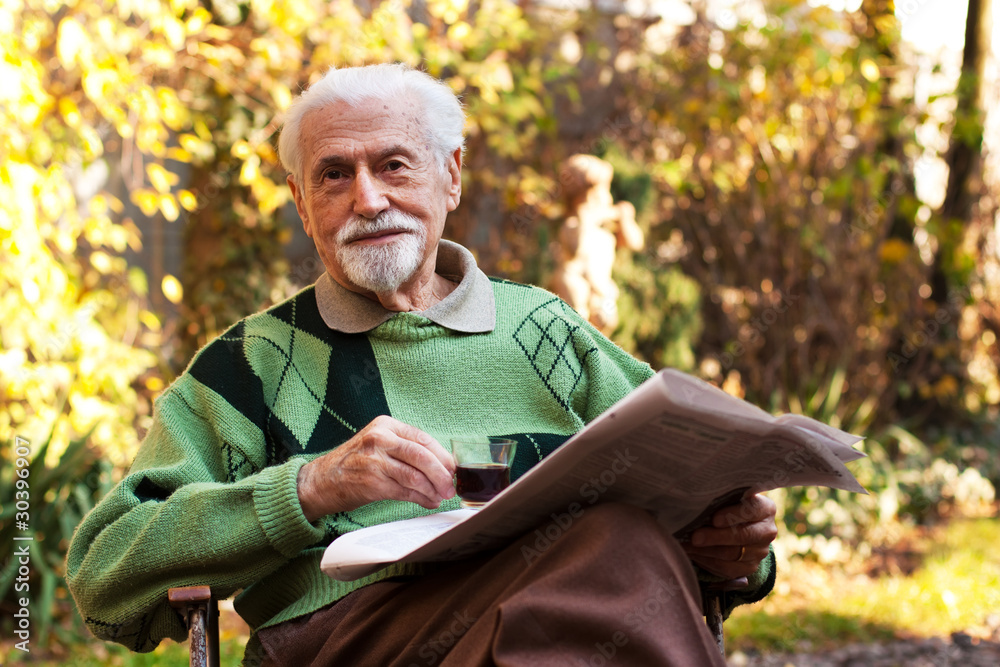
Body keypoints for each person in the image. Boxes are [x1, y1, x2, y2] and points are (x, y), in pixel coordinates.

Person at [67, 63, 778, 666]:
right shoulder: (251, 362)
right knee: (615, 546)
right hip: (351, 638)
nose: (367, 199)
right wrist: (309, 489)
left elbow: (705, 507)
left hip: (546, 622)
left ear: (452, 176)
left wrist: (733, 546)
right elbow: (105, 575)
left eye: (393, 165)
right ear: (302, 204)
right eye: (334, 175)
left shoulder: (542, 331)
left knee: (612, 559)